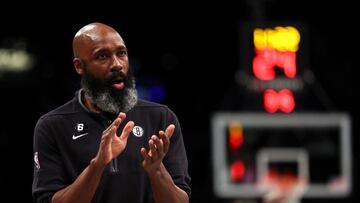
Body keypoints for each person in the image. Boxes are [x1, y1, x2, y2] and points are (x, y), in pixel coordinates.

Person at [32, 22, 191, 203]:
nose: (117, 64)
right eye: (102, 56)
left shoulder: (161, 118)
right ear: (79, 66)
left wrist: (157, 170)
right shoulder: (52, 125)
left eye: (121, 53)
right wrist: (98, 165)